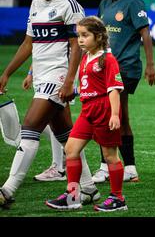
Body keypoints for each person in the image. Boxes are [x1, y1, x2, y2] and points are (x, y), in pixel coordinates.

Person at [0, 0, 99, 208]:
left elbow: (76, 46)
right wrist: (7, 72)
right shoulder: (35, 4)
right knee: (67, 136)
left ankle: (7, 190)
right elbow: (28, 43)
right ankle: (87, 189)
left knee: (30, 128)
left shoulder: (69, 6)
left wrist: (69, 81)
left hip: (58, 77)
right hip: (42, 77)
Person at [46, 16, 128, 211]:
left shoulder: (108, 59)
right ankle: (73, 195)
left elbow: (113, 89)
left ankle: (118, 199)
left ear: (98, 37)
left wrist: (115, 115)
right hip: (87, 110)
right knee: (71, 149)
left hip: (104, 110)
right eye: (79, 35)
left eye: (85, 35)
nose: (80, 39)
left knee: (110, 157)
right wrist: (73, 92)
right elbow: (88, 86)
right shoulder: (85, 58)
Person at [92, 0, 155, 183]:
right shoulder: (104, 3)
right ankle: (129, 168)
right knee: (120, 116)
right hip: (105, 67)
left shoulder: (133, 2)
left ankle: (106, 166)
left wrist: (150, 65)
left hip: (125, 68)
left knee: (110, 114)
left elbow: (145, 33)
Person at [22, 69, 66, 182]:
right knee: (54, 121)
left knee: (48, 119)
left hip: (58, 75)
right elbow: (37, 51)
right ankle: (87, 186)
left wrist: (69, 80)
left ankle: (59, 166)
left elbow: (76, 52)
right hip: (43, 74)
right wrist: (31, 73)